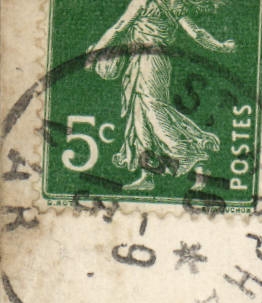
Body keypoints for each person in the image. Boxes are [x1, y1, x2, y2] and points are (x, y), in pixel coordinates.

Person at [87, 0, 236, 191]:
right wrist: (220, 46)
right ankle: (147, 175)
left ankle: (184, 150)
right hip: (141, 61)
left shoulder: (144, 2)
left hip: (151, 62)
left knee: (153, 111)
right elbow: (196, 33)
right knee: (139, 117)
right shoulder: (173, 5)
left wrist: (93, 54)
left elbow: (118, 27)